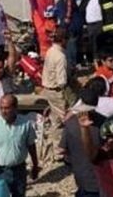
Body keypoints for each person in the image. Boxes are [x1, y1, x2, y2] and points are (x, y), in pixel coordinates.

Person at [0, 95, 39, 197]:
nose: (3, 111)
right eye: (1, 108)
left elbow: (31, 145)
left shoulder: (25, 124)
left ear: (15, 108)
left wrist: (35, 165)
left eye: (7, 108)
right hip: (0, 170)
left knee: (19, 194)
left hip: (19, 169)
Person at [60, 88, 103, 196]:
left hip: (81, 176)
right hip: (103, 176)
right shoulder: (103, 122)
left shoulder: (70, 124)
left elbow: (63, 149)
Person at [42, 27, 68, 163]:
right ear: (63, 40)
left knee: (55, 121)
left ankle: (57, 150)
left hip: (48, 89)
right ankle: (64, 150)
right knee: (66, 119)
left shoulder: (50, 51)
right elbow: (62, 81)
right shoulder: (60, 56)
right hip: (57, 91)